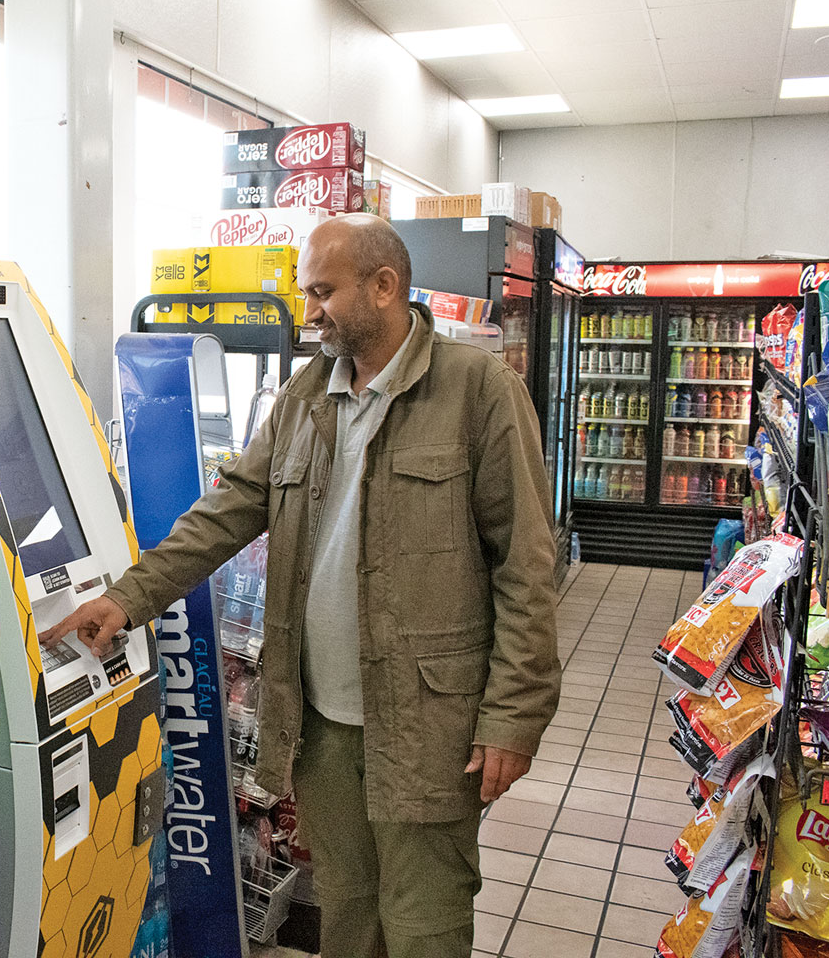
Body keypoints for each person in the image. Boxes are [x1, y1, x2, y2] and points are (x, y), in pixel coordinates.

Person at [42, 214, 561, 958]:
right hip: (319, 725)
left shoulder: (476, 392)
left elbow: (525, 565)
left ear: (385, 288)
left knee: (424, 924)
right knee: (348, 918)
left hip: (428, 725)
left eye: (323, 291)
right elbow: (226, 512)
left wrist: (513, 717)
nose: (308, 311)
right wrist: (130, 597)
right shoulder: (304, 398)